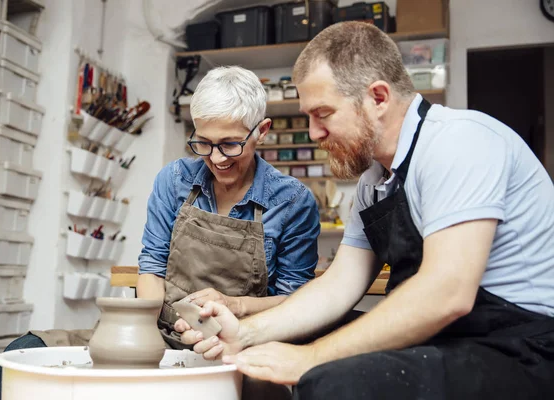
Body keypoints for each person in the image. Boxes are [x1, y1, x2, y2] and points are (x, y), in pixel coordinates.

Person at [177, 21, 554, 399]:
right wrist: (245, 333)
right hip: (449, 339)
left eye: (323, 113)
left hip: (523, 347)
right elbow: (339, 286)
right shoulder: (374, 181)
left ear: (378, 97)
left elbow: (447, 294)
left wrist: (308, 359)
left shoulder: (460, 141)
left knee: (334, 380)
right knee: (299, 335)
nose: (313, 133)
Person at [0, 66, 320, 400]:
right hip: (161, 333)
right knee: (24, 350)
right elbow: (151, 266)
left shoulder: (292, 201)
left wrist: (235, 305)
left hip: (239, 344)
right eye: (204, 143)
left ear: (261, 131)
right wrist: (142, 334)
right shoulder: (175, 179)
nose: (217, 158)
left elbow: (294, 302)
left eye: (230, 144)